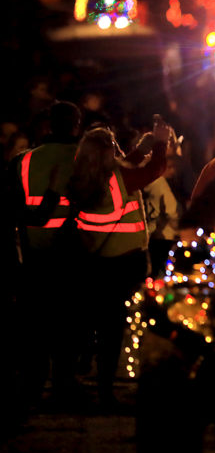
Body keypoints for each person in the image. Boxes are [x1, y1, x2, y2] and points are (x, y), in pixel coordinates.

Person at [70, 117, 173, 406]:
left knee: (92, 320)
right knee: (113, 328)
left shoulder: (83, 175)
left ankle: (80, 370)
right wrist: (162, 143)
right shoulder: (120, 178)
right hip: (123, 262)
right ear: (109, 152)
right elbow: (154, 170)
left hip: (93, 259)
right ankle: (105, 389)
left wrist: (143, 147)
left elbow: (123, 168)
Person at [7, 101, 82, 404]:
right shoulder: (85, 159)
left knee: (35, 326)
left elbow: (14, 208)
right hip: (76, 253)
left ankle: (32, 386)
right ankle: (65, 384)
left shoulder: (22, 162)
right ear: (77, 126)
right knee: (69, 324)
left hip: (33, 253)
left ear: (47, 125)